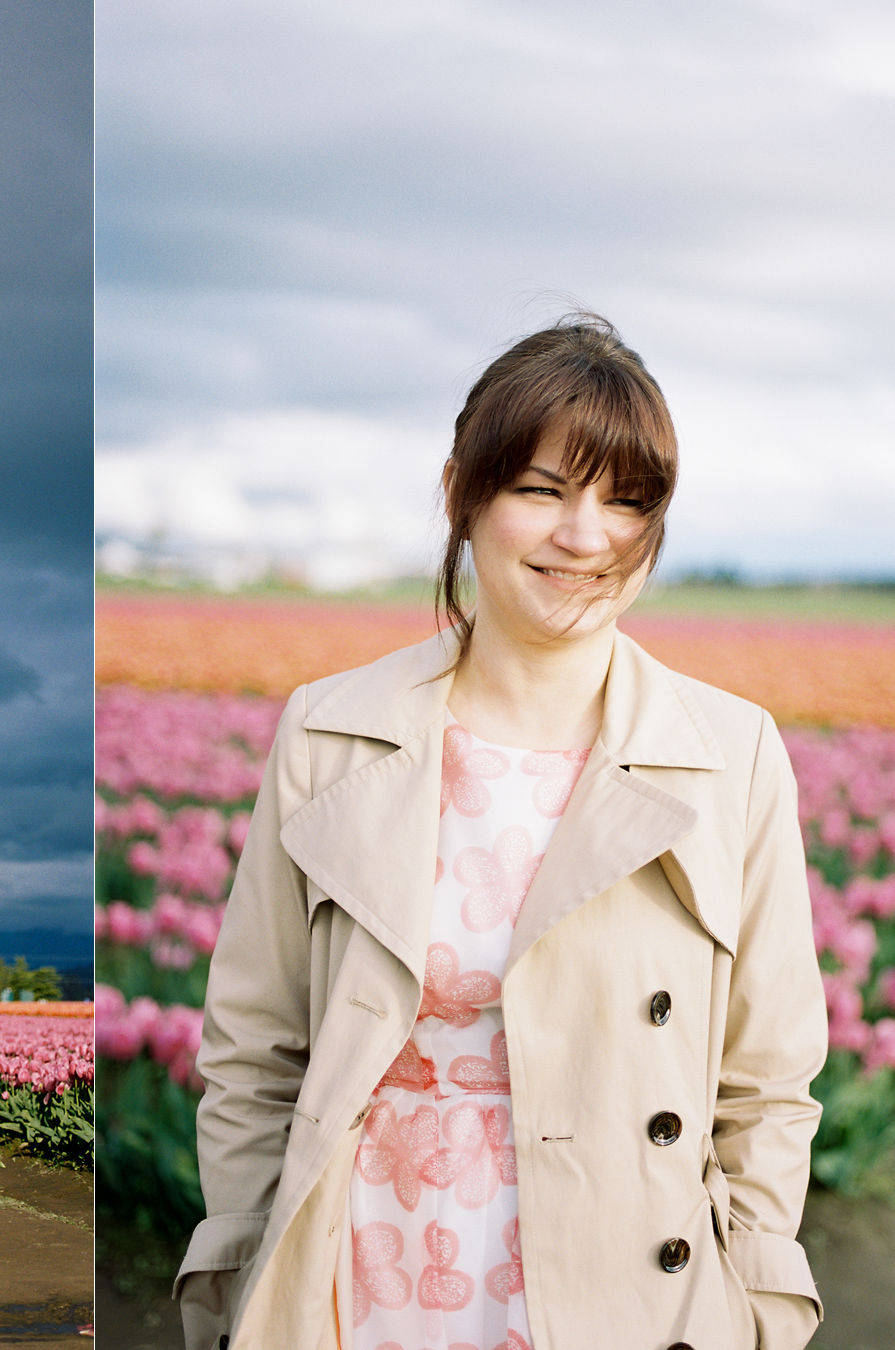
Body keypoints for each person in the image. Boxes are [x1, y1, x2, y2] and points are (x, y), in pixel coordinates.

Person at [174, 316, 828, 1349]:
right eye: (541, 490)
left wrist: (760, 1304)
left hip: (630, 1288)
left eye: (625, 499)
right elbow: (254, 1048)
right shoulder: (330, 732)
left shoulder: (731, 755)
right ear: (460, 494)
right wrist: (242, 1262)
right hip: (362, 1271)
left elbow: (768, 1078)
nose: (585, 536)